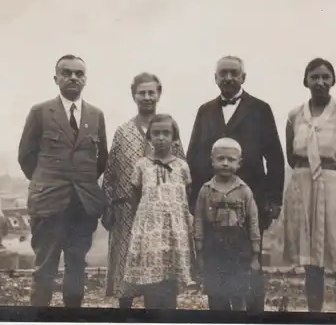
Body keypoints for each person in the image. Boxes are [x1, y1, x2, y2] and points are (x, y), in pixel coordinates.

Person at [186, 55, 285, 312]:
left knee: (249, 268)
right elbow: (194, 154)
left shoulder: (260, 109)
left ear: (243, 77)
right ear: (215, 78)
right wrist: (193, 198)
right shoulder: (204, 111)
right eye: (223, 74)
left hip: (248, 203)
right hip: (211, 206)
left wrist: (273, 199)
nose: (228, 78)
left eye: (234, 73)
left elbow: (274, 157)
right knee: (215, 270)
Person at [274, 57, 336, 312]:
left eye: (325, 77)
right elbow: (291, 156)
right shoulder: (294, 116)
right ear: (305, 81)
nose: (320, 82)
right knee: (312, 260)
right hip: (304, 187)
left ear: (333, 81)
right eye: (314, 77)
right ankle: (314, 314)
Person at [18, 54, 108, 307]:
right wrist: (47, 182)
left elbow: (101, 160)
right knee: (45, 267)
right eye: (66, 73)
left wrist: (82, 183)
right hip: (48, 204)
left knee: (77, 266)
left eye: (79, 74)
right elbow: (26, 156)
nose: (73, 78)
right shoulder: (40, 112)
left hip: (83, 207)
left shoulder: (96, 115)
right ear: (56, 78)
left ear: (85, 79)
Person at [102, 73, 186, 308]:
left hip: (161, 215)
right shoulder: (122, 131)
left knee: (158, 271)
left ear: (159, 94)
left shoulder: (168, 129)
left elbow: (181, 170)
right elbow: (110, 174)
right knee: (125, 271)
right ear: (133, 95)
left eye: (152, 92)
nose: (147, 97)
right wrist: (108, 207)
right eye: (142, 93)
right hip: (127, 212)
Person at [121, 114, 193, 309]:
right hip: (150, 230)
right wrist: (143, 224)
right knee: (151, 276)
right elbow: (135, 197)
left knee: (170, 278)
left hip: (174, 230)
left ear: (174, 137)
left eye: (166, 133)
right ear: (149, 137)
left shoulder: (182, 166)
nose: (161, 137)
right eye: (156, 133)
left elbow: (186, 197)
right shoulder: (142, 165)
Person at [194, 137, 261, 310]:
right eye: (220, 158)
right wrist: (200, 252)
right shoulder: (205, 190)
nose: (225, 163)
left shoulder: (244, 191)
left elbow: (253, 223)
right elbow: (199, 220)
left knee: (239, 293)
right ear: (212, 161)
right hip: (213, 247)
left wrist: (255, 256)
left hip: (239, 249)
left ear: (239, 163)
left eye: (230, 160)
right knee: (216, 294)